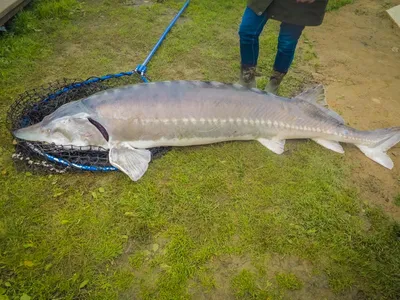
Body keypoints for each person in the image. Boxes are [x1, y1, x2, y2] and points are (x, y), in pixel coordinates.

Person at [238, 0, 329, 94]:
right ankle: (247, 78)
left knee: (286, 44)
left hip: (298, 5)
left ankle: (274, 83)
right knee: (247, 32)